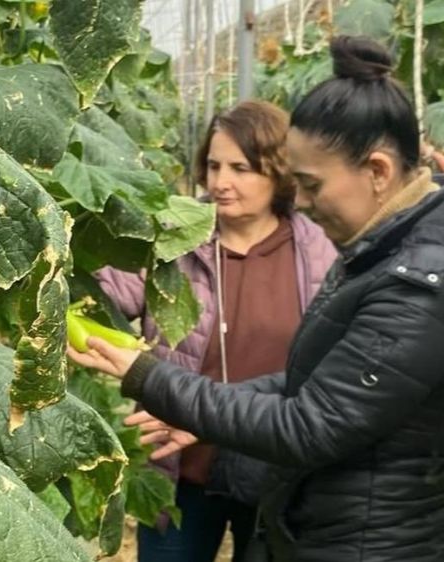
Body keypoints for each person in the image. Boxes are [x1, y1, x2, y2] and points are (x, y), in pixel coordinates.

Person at [71, 35, 444, 562]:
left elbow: (310, 423)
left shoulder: (419, 284)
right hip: (320, 524)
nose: (299, 200)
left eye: (309, 183)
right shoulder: (383, 252)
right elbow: (319, 382)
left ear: (377, 171)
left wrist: (149, 377)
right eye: (214, 167)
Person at [95, 100, 336, 562]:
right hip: (181, 465)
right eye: (213, 165)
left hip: (276, 465)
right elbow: (102, 296)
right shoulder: (173, 236)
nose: (221, 183)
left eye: (241, 168)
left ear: (278, 171)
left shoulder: (319, 247)